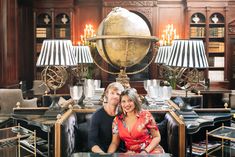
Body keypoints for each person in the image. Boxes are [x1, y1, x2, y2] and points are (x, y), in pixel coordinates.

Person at [108, 88, 164, 154]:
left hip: (150, 150)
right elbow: (114, 143)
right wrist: (108, 155)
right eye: (123, 101)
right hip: (131, 153)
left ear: (135, 101)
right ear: (120, 103)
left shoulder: (146, 115)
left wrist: (145, 151)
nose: (127, 104)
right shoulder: (117, 120)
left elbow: (157, 137)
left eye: (130, 100)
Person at [88, 82, 125, 153]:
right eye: (112, 93)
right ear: (107, 94)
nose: (115, 96)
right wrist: (104, 155)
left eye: (118, 94)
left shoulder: (124, 114)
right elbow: (92, 141)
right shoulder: (97, 115)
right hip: (101, 152)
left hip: (120, 153)